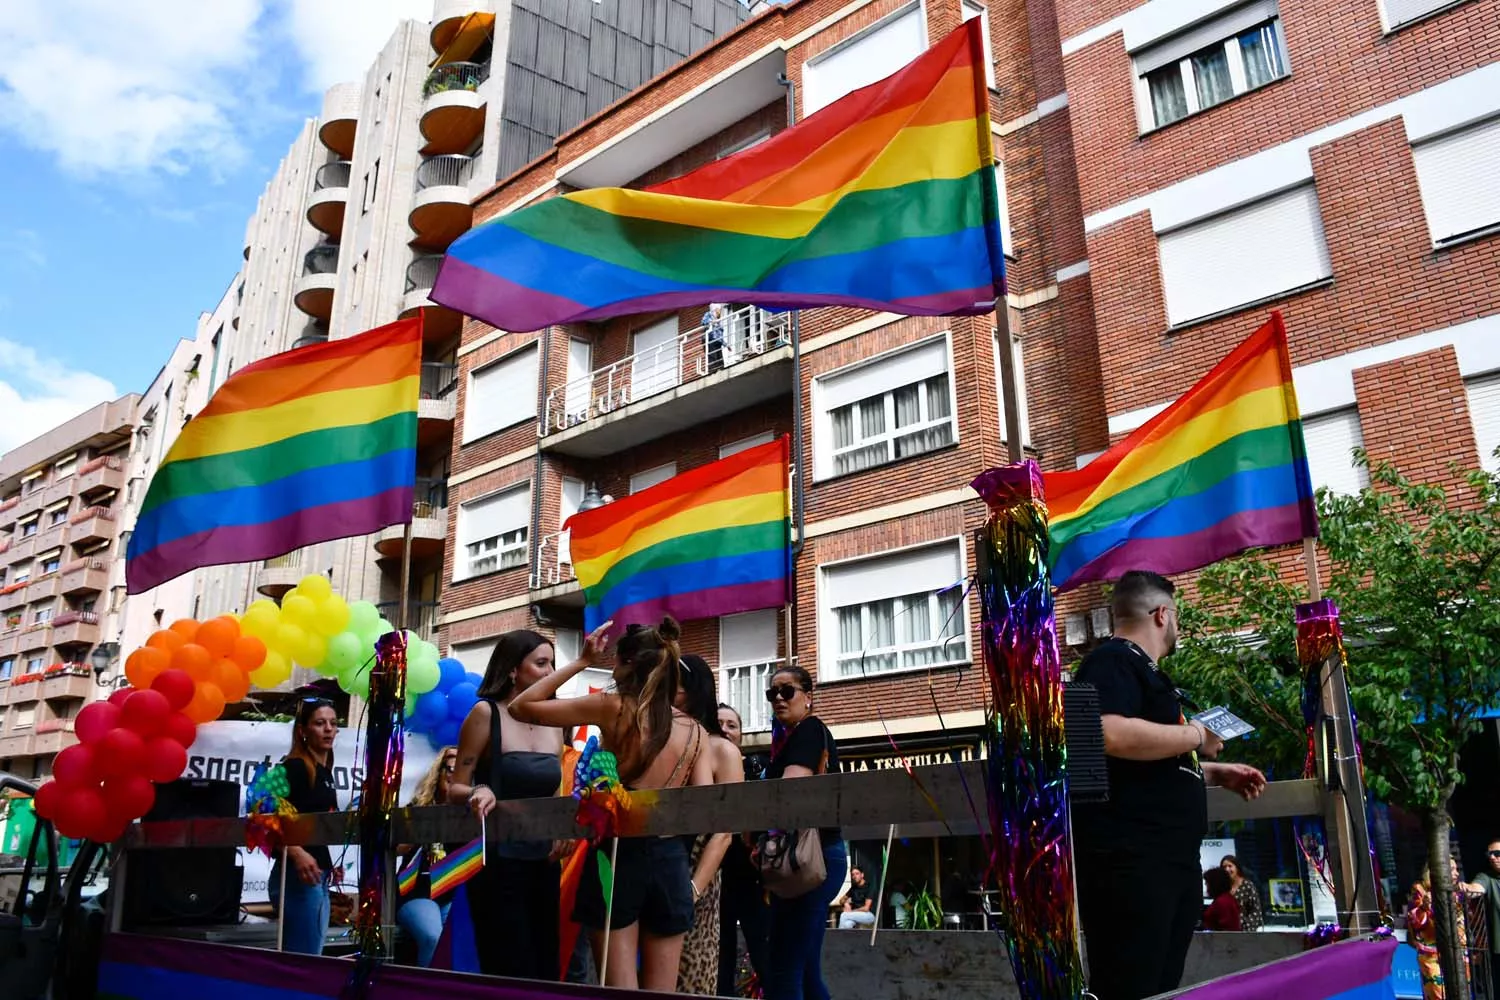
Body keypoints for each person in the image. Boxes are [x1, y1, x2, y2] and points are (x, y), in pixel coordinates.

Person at [1072, 571, 1267, 1000]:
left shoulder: (1143, 672)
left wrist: (1214, 771)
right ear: (1162, 614)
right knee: (1131, 985)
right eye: (1176, 616)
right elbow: (1107, 733)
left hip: (1164, 860)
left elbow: (1145, 760)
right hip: (1133, 862)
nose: (1176, 626)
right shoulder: (1112, 660)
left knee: (1160, 986)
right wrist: (1197, 735)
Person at [509, 617, 713, 992]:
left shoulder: (614, 708)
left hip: (618, 854)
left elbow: (522, 706)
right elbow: (698, 807)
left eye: (614, 661)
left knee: (618, 988)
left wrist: (583, 660)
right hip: (670, 859)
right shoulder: (695, 730)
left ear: (627, 664)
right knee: (663, 992)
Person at [447, 630, 569, 980]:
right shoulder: (486, 713)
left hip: (543, 860)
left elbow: (555, 789)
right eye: (541, 663)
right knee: (508, 962)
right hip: (498, 859)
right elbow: (456, 785)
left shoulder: (555, 721)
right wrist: (478, 791)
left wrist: (562, 828)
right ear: (514, 670)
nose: (549, 672)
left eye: (552, 664)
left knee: (546, 961)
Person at [761, 664, 847, 1000]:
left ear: (808, 697)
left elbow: (790, 791)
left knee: (784, 969)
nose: (779, 699)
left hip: (810, 858)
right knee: (805, 968)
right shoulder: (794, 737)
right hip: (818, 856)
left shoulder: (809, 731)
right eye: (772, 693)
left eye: (787, 691)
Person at [674, 654, 746, 994]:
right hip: (657, 867)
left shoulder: (723, 750)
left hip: (698, 874)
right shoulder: (663, 741)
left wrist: (694, 889)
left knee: (693, 979)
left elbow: (724, 832)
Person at [271, 697, 341, 955]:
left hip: (318, 876)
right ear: (302, 730)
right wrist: (297, 852)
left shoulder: (324, 772)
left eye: (333, 724)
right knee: (303, 960)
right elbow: (262, 809)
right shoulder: (294, 767)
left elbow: (314, 824)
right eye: (320, 723)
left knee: (313, 956)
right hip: (296, 877)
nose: (328, 729)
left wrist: (330, 863)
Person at [717, 702, 772, 997]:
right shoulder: (702, 766)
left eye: (732, 725)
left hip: (752, 875)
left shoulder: (755, 766)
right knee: (719, 957)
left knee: (764, 953)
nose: (725, 730)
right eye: (720, 724)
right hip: (713, 876)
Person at [396, 746, 458, 967]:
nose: (455, 775)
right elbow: (398, 848)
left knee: (460, 943)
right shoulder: (418, 808)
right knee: (434, 937)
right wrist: (423, 825)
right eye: (451, 768)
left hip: (452, 896)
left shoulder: (468, 815)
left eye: (462, 769)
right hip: (417, 893)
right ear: (438, 773)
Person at [1472, 838, 1500, 1000]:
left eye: (1497, 854)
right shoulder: (1487, 877)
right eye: (1489, 854)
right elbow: (1476, 889)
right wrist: (1465, 888)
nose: (1492, 858)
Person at [1220, 855, 1262, 931]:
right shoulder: (1221, 887)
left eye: (1230, 866)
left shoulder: (1248, 885)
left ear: (1237, 868)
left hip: (1245, 932)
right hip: (1225, 933)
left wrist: (1246, 929)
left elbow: (1255, 910)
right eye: (1224, 867)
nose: (1227, 869)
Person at [1200, 867, 1241, 931]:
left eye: (1207, 884)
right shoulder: (1228, 898)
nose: (1206, 887)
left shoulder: (1221, 902)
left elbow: (1226, 927)